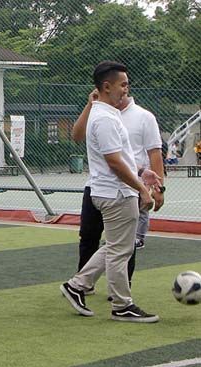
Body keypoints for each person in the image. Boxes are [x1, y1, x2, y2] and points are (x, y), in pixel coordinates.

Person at [60, 61, 157, 323]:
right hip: (116, 194)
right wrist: (142, 189)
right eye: (122, 84)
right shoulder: (104, 118)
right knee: (120, 251)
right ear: (106, 86)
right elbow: (113, 162)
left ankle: (77, 285)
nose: (126, 89)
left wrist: (141, 172)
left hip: (113, 191)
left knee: (116, 247)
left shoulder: (106, 114)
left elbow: (119, 157)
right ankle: (122, 306)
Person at [72, 88, 164, 281]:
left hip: (129, 187)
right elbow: (77, 136)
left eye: (125, 85)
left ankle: (120, 285)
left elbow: (154, 153)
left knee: (125, 242)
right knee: (89, 236)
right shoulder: (99, 113)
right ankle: (83, 283)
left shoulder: (144, 117)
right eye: (120, 84)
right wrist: (89, 105)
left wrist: (158, 189)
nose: (123, 89)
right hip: (97, 186)